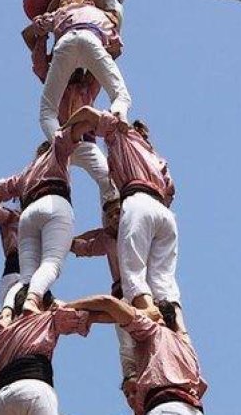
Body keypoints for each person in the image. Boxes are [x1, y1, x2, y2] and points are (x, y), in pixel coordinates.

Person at [67, 107, 179, 317]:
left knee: (133, 271)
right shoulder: (156, 157)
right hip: (164, 213)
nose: (114, 218)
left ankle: (147, 310)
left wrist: (63, 137)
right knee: (164, 280)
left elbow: (87, 113)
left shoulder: (121, 134)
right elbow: (170, 191)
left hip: (138, 200)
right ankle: (177, 325)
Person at [0, 122, 88, 323]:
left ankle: (6, 313)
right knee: (51, 264)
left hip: (26, 229)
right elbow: (72, 133)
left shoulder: (23, 178)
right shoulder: (57, 156)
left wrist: (0, 196)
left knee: (28, 281)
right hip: (54, 203)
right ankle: (31, 301)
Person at [63, 295, 207, 415]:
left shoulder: (151, 330)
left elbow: (107, 302)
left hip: (168, 409)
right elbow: (203, 385)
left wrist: (67, 307)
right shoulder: (185, 344)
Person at [23, 0, 131, 141]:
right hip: (91, 38)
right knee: (120, 94)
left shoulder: (62, 12)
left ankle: (58, 143)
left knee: (47, 110)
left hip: (66, 41)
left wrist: (45, 22)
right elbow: (117, 48)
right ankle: (118, 115)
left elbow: (35, 28)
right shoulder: (101, 15)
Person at [0, 288, 92, 415]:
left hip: (3, 399)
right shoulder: (46, 318)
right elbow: (95, 311)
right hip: (34, 390)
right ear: (40, 304)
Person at [71, 200, 138, 390]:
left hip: (143, 292)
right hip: (122, 294)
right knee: (126, 344)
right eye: (109, 216)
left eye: (118, 213)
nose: (114, 218)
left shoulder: (137, 228)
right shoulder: (107, 239)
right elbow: (82, 246)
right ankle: (131, 381)